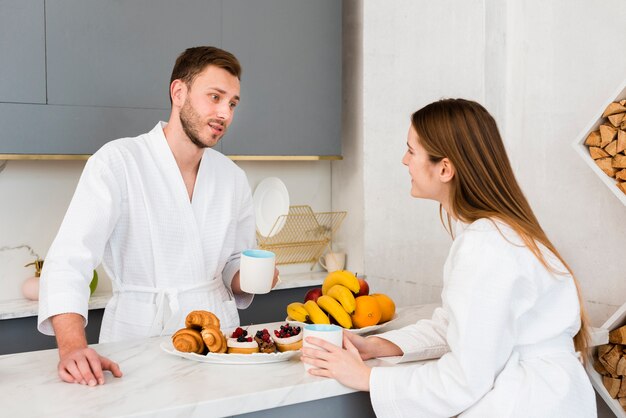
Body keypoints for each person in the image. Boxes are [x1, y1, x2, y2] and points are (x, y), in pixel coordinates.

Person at [301, 98, 596, 417]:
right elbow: (462, 324)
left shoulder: (485, 245)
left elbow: (463, 381)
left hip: (527, 402)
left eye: (411, 151)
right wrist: (380, 346)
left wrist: (367, 377)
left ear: (444, 168)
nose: (404, 160)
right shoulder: (501, 230)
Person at [37, 46, 279, 386]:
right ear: (178, 92)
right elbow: (68, 261)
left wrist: (253, 276)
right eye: (215, 97)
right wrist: (73, 348)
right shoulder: (118, 162)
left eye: (233, 103)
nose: (225, 112)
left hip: (216, 339)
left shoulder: (232, 177)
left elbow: (232, 263)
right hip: (135, 340)